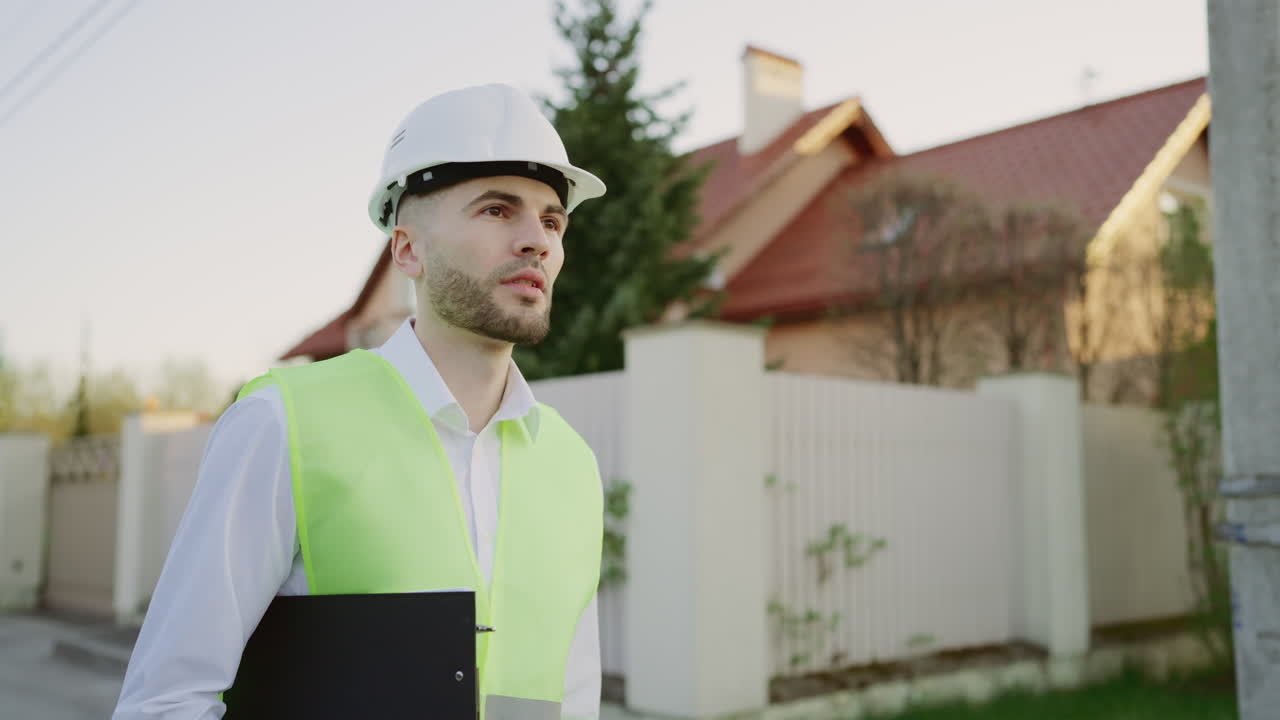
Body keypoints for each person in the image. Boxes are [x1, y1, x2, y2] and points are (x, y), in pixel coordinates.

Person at [113, 83, 608, 719]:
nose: (536, 240)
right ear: (408, 249)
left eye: (551, 220)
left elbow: (573, 699)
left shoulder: (571, 464)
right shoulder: (285, 423)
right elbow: (165, 700)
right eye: (496, 210)